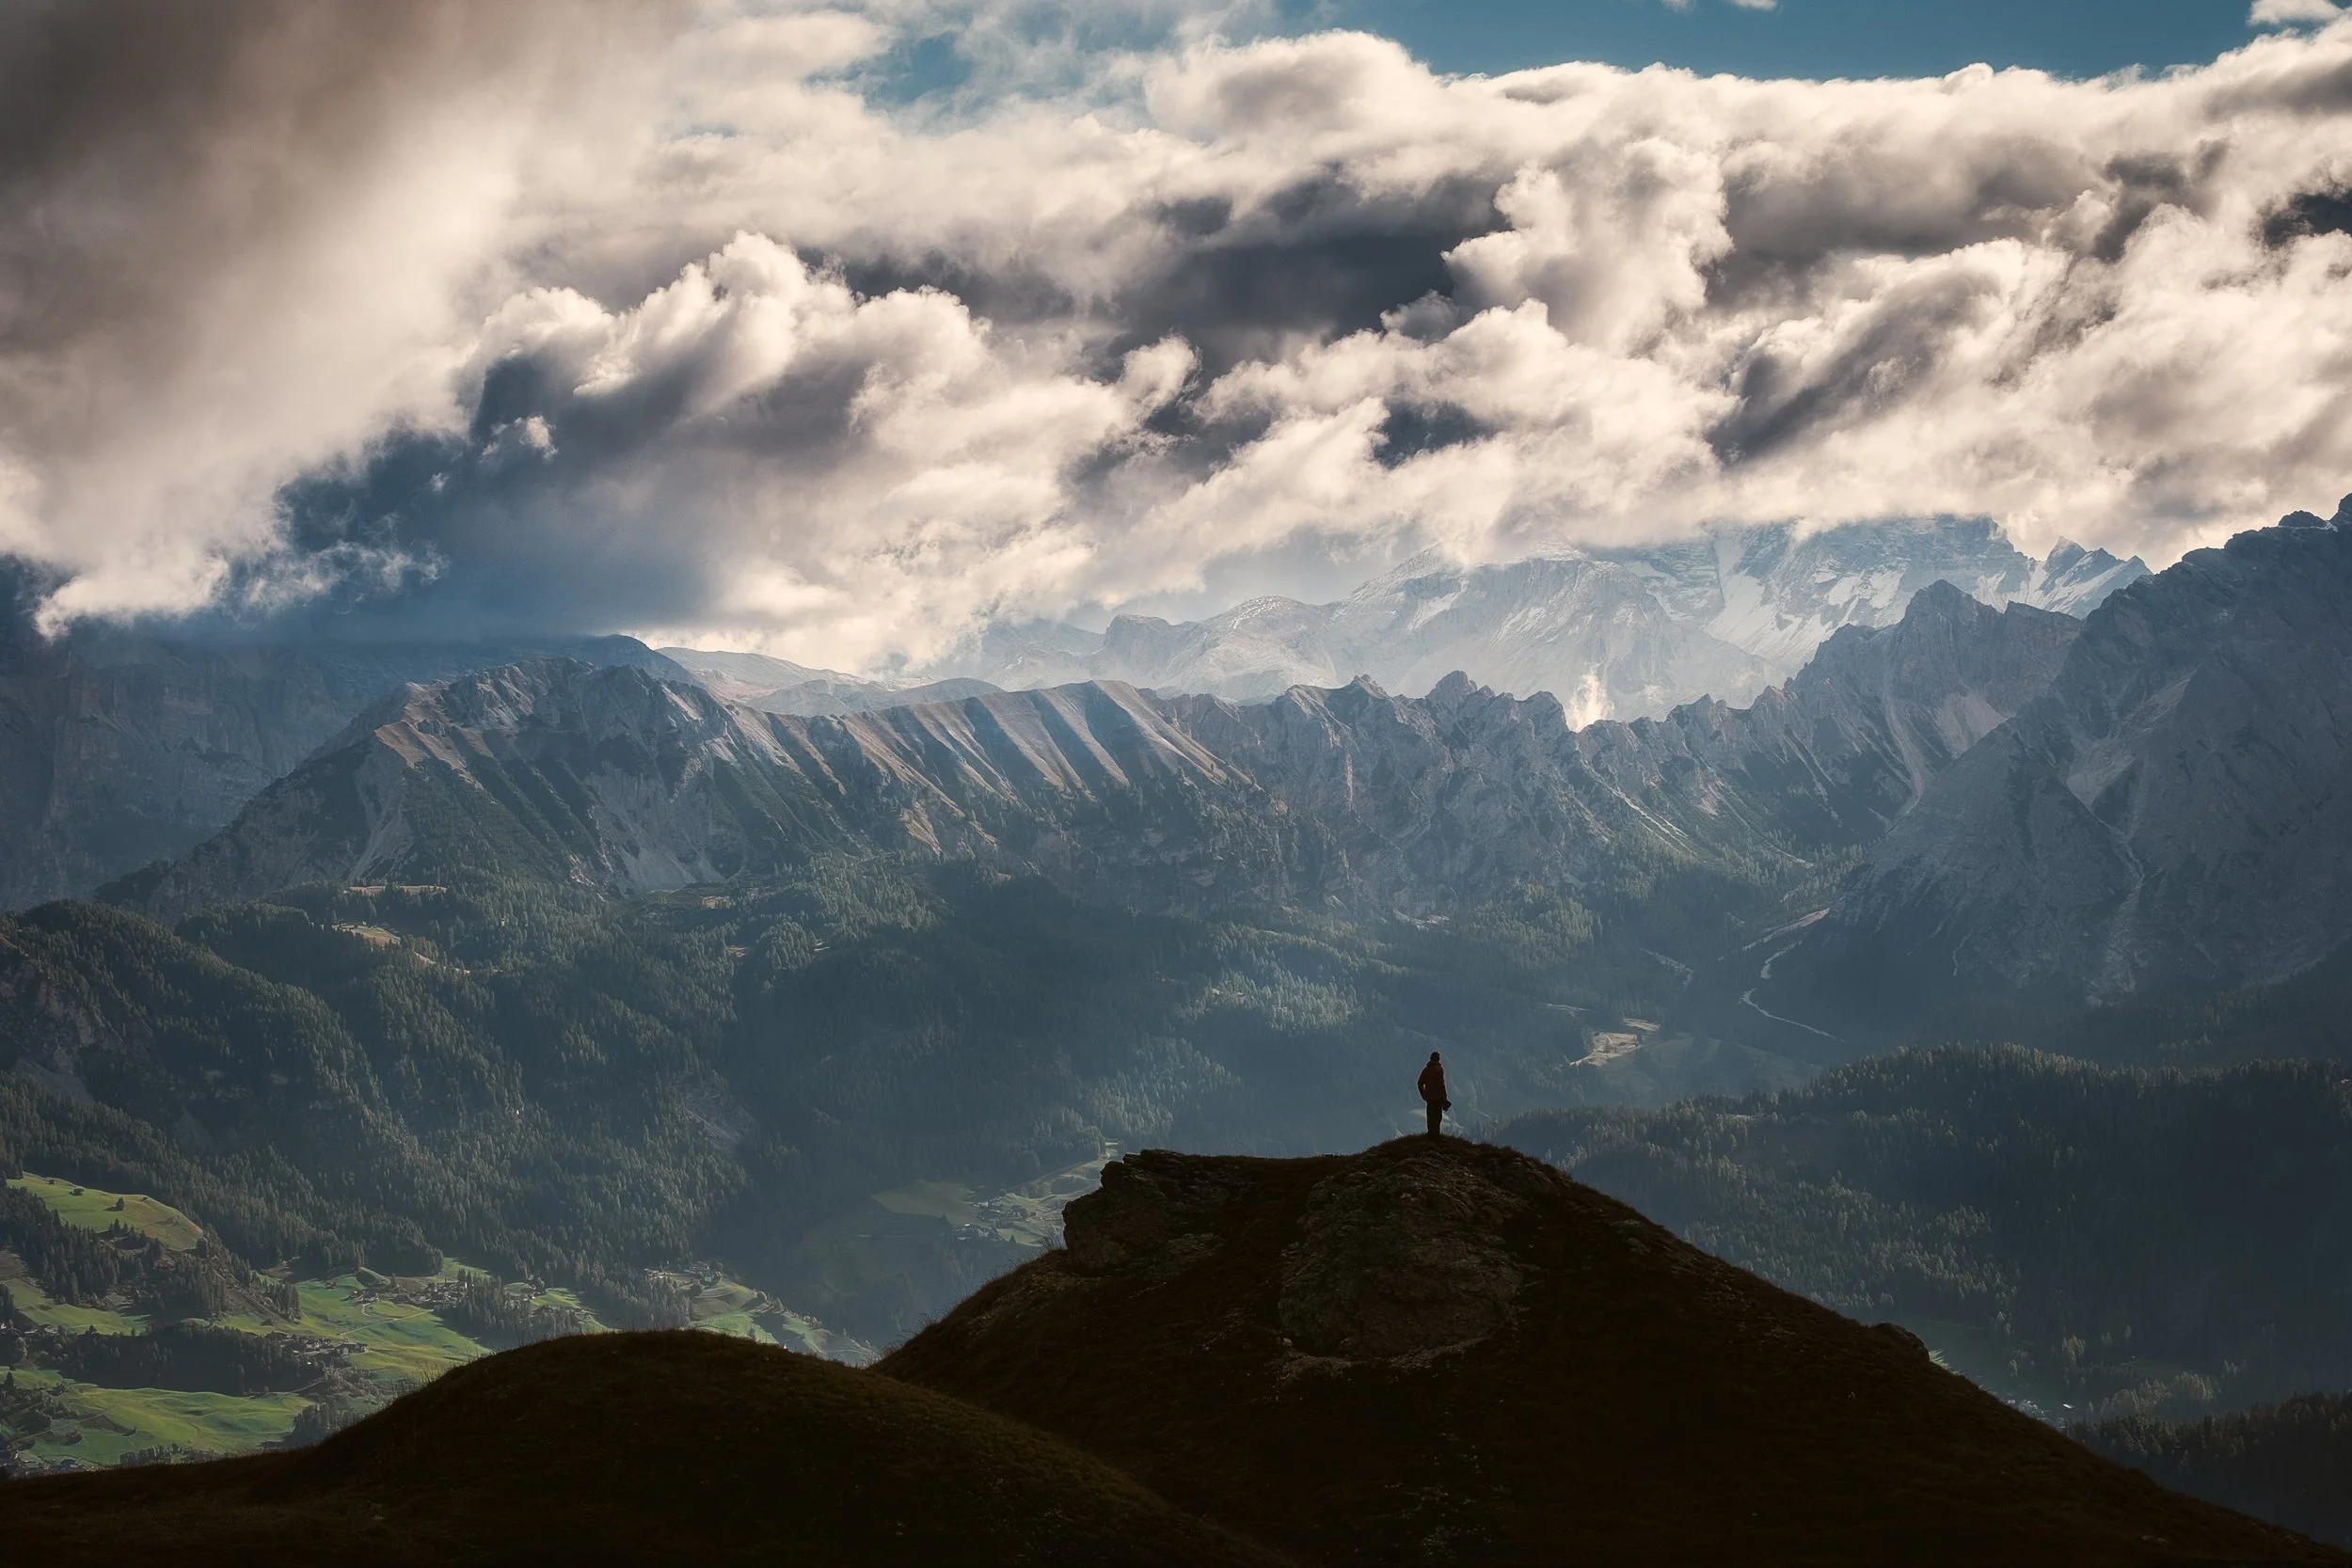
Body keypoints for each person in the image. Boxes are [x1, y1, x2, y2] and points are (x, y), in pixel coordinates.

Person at [1417, 1052, 1450, 1137]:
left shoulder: (1426, 1070)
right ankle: (1436, 1136)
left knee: (1430, 1116)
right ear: (1438, 1059)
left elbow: (1420, 1083)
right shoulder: (1439, 1069)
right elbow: (1441, 1084)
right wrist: (1444, 1097)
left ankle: (1430, 1134)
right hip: (1438, 1097)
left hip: (1429, 1098)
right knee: (1437, 1117)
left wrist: (1424, 1094)